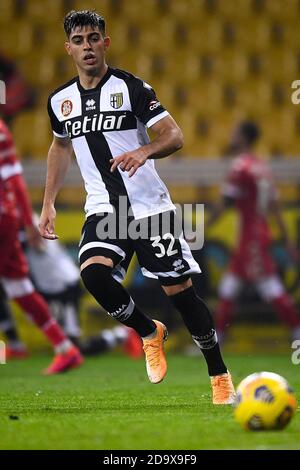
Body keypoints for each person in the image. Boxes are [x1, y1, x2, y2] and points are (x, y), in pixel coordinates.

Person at [39, 10, 235, 404]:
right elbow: (60, 146)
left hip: (148, 209)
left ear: (105, 43)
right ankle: (149, 332)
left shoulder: (131, 88)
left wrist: (144, 150)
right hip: (104, 209)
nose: (87, 47)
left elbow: (174, 135)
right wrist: (48, 203)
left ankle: (219, 375)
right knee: (93, 276)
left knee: (181, 294)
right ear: (68, 48)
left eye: (94, 38)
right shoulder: (60, 101)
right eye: (79, 41)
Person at [0, 117, 83, 374]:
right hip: (7, 215)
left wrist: (27, 221)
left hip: (3, 216)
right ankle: (64, 348)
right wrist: (24, 220)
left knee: (17, 285)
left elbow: (12, 177)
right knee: (17, 285)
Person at [208, 121, 300, 341]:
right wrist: (287, 238)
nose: (231, 135)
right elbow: (275, 206)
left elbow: (226, 202)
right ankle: (218, 336)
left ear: (243, 138)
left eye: (235, 133)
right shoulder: (261, 166)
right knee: (229, 286)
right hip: (256, 233)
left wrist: (202, 227)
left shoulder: (240, 166)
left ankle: (297, 330)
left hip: (251, 237)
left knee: (269, 286)